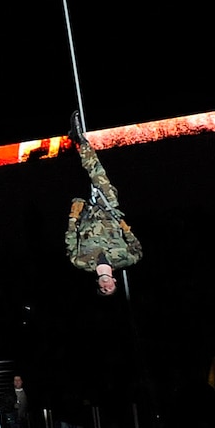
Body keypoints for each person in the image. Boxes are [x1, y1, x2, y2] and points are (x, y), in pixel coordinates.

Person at [65, 116, 144, 294]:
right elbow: (138, 250)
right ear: (115, 281)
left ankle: (74, 143)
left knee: (71, 177)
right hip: (108, 209)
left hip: (85, 213)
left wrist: (73, 218)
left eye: (103, 288)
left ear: (99, 284)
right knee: (98, 173)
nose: (106, 286)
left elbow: (70, 241)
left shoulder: (81, 262)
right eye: (110, 288)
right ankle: (80, 141)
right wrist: (126, 230)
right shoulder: (125, 259)